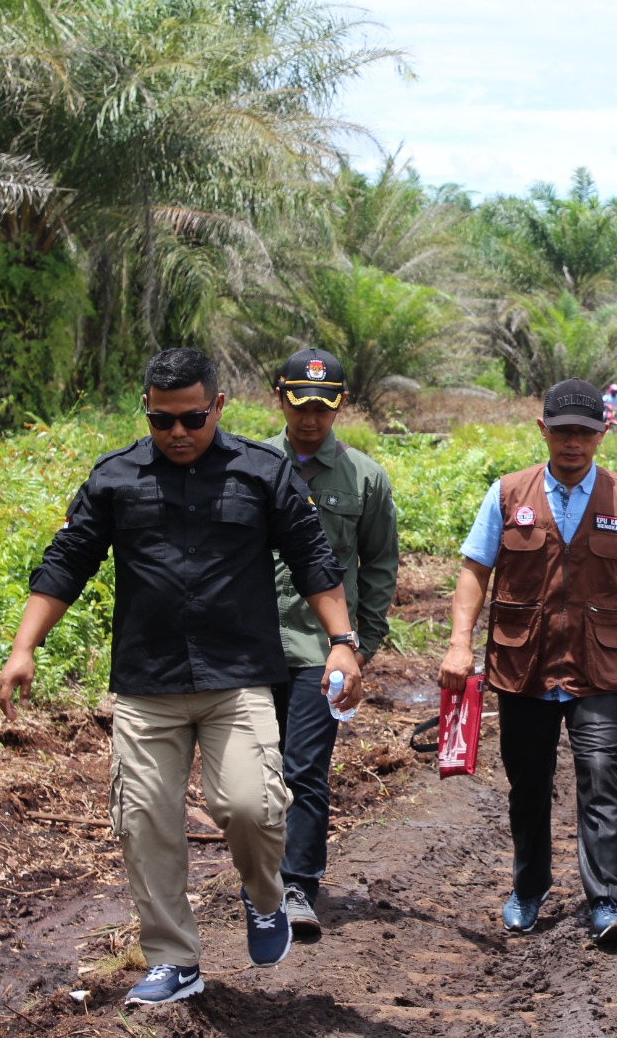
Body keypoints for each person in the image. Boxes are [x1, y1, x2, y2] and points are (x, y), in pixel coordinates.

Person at [0, 348, 359, 1006]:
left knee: (248, 804)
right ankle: (174, 958)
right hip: (148, 685)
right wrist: (24, 647)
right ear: (148, 413)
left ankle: (265, 894)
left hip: (238, 677)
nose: (178, 434)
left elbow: (313, 557)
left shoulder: (260, 472)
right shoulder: (115, 478)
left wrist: (342, 642)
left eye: (192, 419)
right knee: (145, 820)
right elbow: (66, 560)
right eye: (162, 422)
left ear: (217, 406)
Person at [438, 378, 617, 947]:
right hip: (525, 666)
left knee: (599, 778)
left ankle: (609, 901)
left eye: (584, 434)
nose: (573, 444)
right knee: (528, 785)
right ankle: (528, 889)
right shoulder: (509, 494)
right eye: (562, 432)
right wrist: (459, 644)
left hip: (600, 666)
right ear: (543, 430)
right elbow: (474, 571)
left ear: (602, 434)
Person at [265, 348, 399, 941]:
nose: (310, 418)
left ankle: (298, 885)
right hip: (250, 646)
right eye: (300, 405)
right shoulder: (252, 465)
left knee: (305, 768)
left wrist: (361, 644)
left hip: (324, 652)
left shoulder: (364, 478)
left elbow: (379, 566)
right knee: (251, 772)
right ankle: (258, 878)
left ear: (339, 404)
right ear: (281, 398)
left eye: (322, 406)